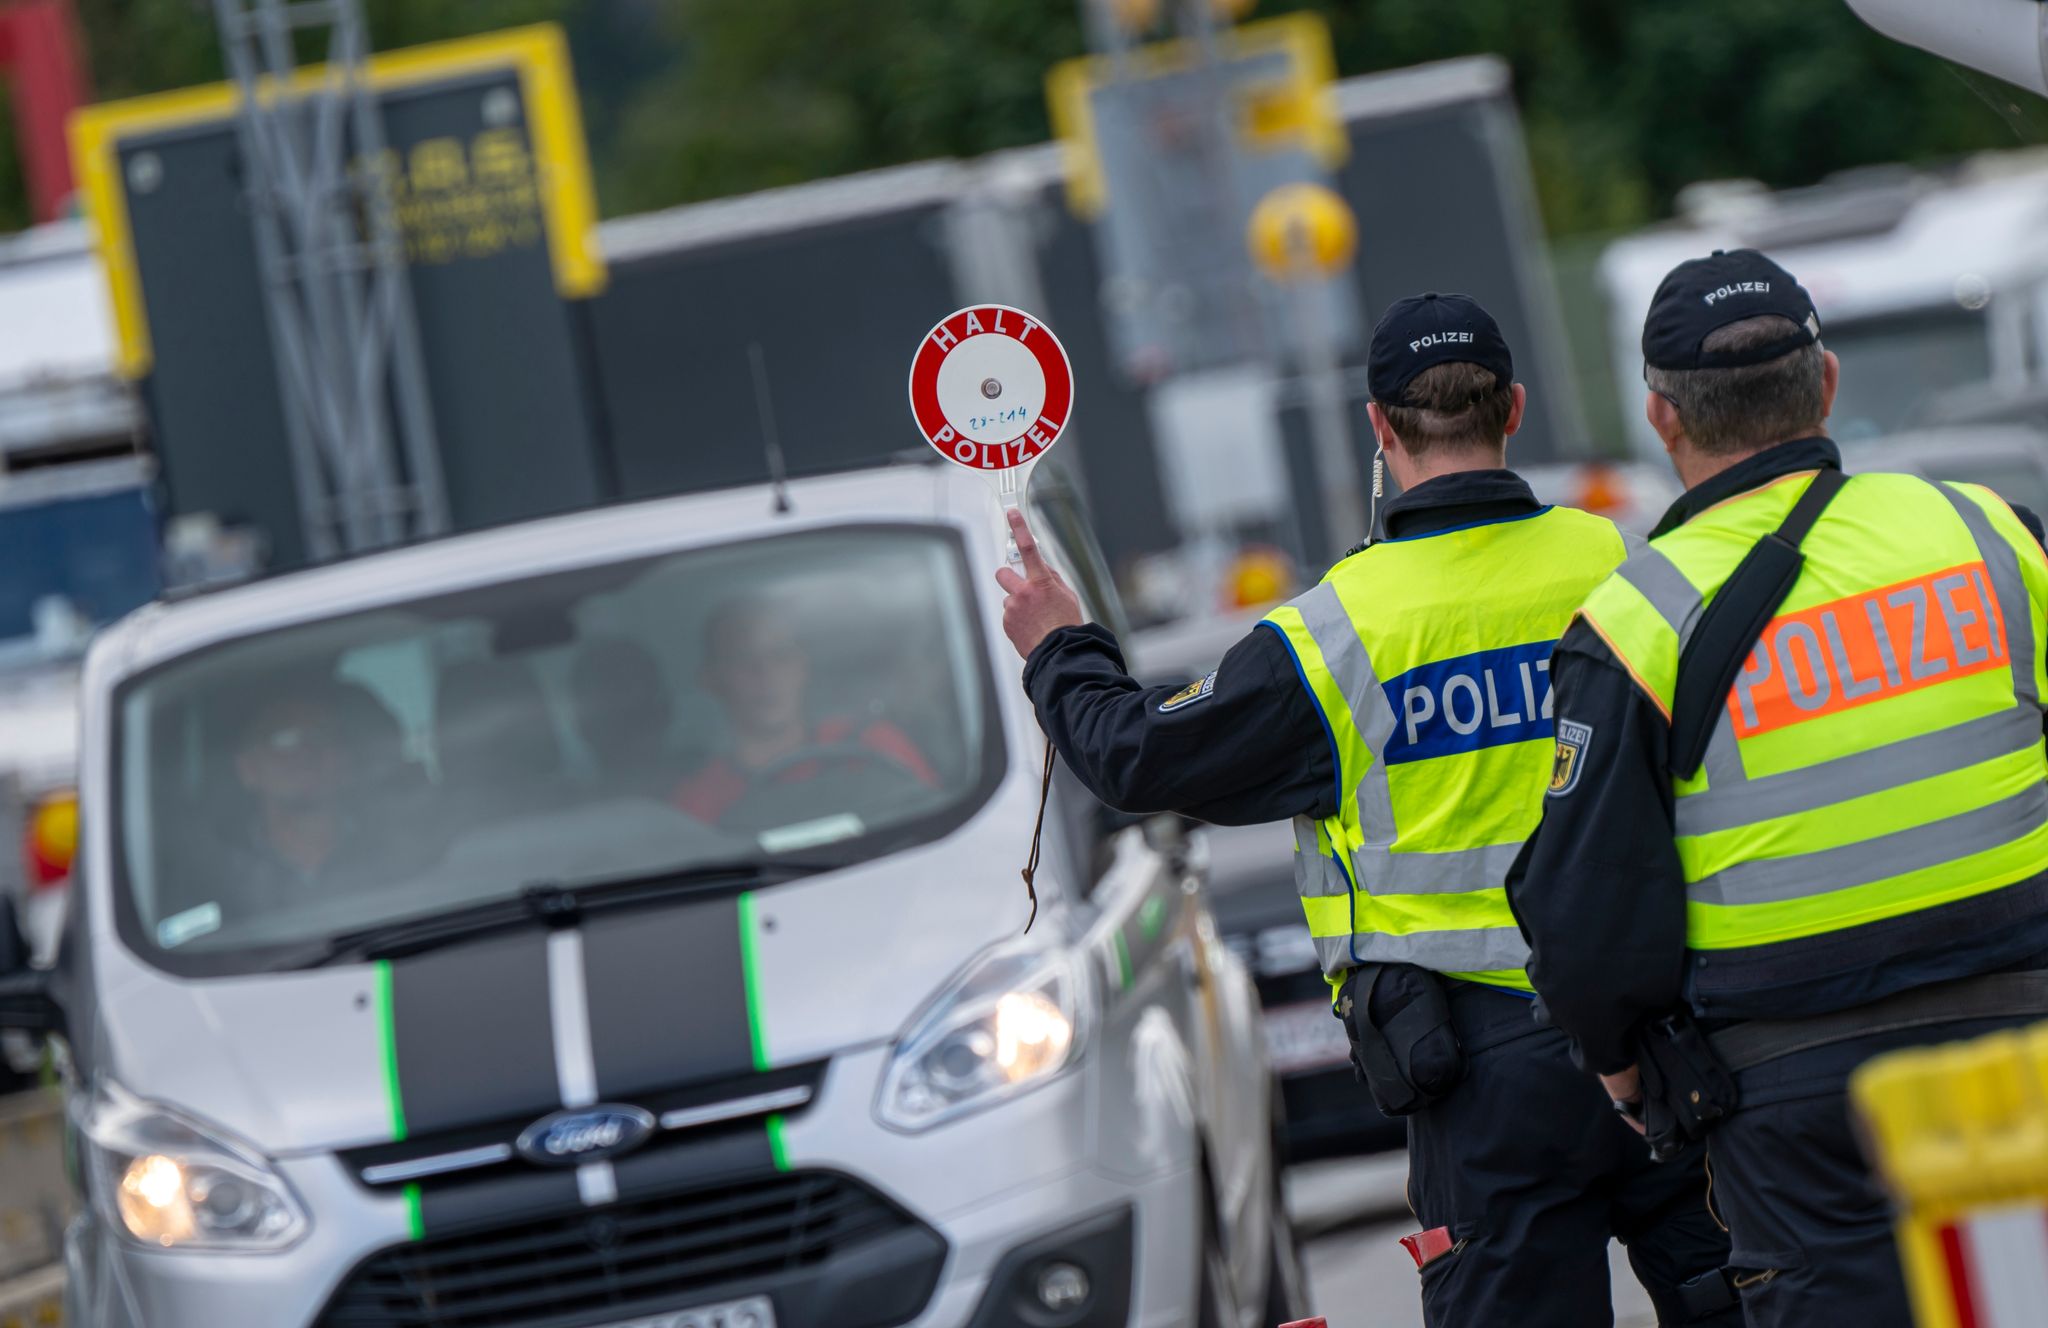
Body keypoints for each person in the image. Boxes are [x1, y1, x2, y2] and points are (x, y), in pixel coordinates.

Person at [998, 293, 1739, 1327]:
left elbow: (1135, 755)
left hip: (1479, 1079)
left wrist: (1056, 645)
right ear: (1513, 407)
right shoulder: (1625, 564)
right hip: (1664, 1033)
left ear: (1379, 427)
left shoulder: (1334, 631)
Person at [1508, 248, 2048, 1327]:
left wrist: (1621, 1070)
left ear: (1661, 418)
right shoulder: (1985, 531)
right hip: (2022, 1031)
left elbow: (1585, 910)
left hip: (1799, 1087)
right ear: (1827, 381)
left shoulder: (1636, 619)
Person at [673, 596, 935, 826]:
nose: (766, 675)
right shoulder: (697, 805)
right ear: (712, 679)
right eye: (743, 660)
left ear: (802, 666)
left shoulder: (874, 744)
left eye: (780, 656)